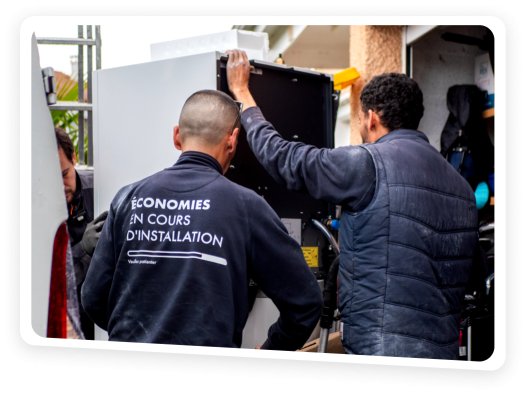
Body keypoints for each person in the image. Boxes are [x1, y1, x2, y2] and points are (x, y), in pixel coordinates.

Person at [225, 49, 480, 359]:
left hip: (380, 355)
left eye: (359, 119)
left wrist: (241, 93)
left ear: (371, 118)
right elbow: (473, 272)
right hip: (444, 358)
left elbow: (283, 158)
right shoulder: (462, 188)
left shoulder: (368, 163)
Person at [80, 90, 323, 350]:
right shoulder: (246, 206)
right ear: (233, 140)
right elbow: (305, 302)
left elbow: (93, 297)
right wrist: (270, 351)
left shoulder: (127, 199)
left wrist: (137, 334)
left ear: (176, 136)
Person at [55, 127, 108, 340]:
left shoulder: (101, 187)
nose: (59, 186)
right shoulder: (30, 205)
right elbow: (49, 281)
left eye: (64, 174)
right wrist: (82, 251)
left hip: (103, 314)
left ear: (74, 157)